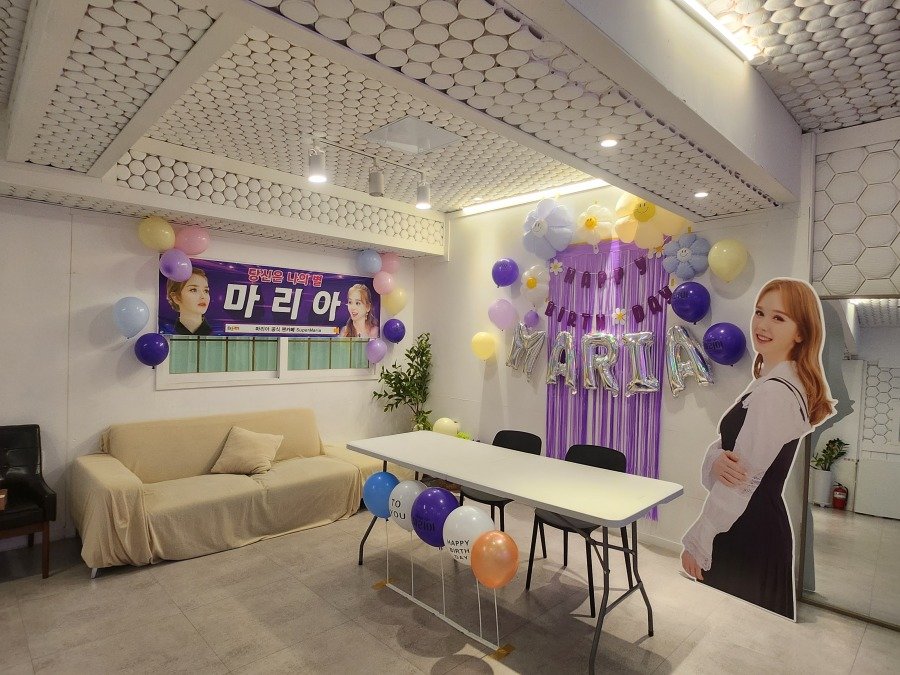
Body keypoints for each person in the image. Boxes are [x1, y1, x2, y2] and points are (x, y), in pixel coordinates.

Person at [681, 278, 834, 619]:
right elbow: (731, 450)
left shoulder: (776, 392)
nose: (762, 325)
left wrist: (699, 542)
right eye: (760, 313)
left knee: (733, 633)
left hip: (744, 529)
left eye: (779, 318)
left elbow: (739, 482)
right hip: (750, 526)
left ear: (801, 332)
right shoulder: (769, 383)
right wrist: (715, 458)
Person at [166, 268, 212, 336]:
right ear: (176, 297)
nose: (203, 296)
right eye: (193, 290)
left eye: (206, 291)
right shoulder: (169, 332)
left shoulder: (216, 332)